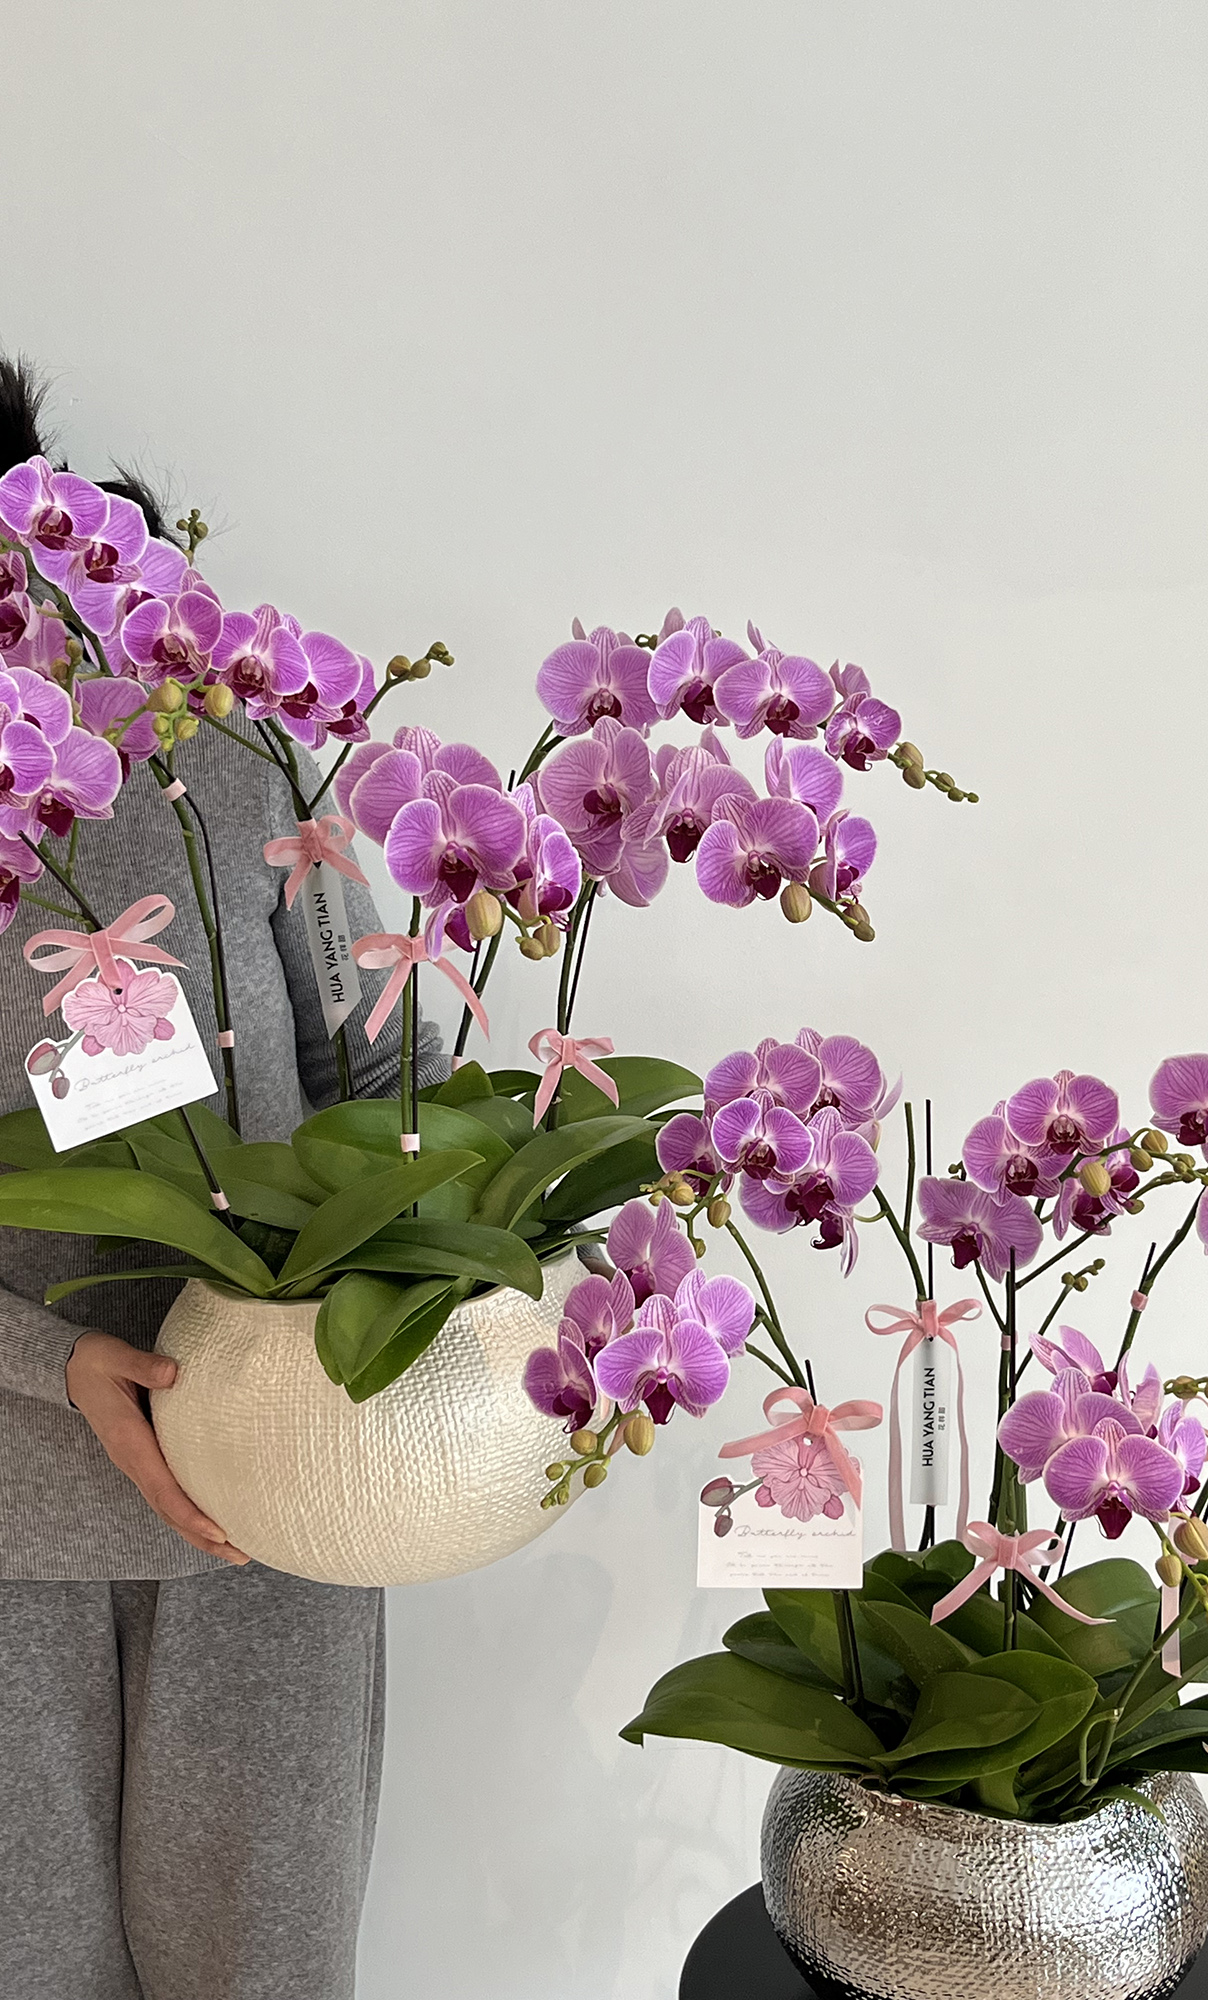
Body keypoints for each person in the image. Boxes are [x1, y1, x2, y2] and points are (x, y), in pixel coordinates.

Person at [0, 360, 444, 2000]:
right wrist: (48, 1363)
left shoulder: (237, 750)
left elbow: (384, 1075)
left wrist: (415, 1307)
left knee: (264, 1973)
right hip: (6, 1523)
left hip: (274, 1483)